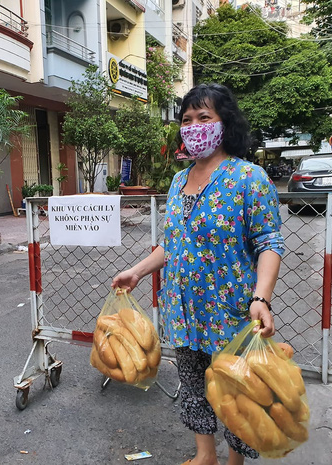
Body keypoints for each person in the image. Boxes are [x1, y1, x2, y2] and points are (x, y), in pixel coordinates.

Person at [112, 84, 284, 465]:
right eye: (187, 120)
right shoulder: (178, 181)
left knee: (237, 394)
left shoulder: (249, 177)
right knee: (192, 389)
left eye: (203, 117)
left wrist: (261, 298)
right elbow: (171, 242)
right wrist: (137, 272)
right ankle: (205, 455)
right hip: (183, 312)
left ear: (225, 123)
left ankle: (234, 462)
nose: (193, 126)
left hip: (232, 313)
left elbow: (270, 241)